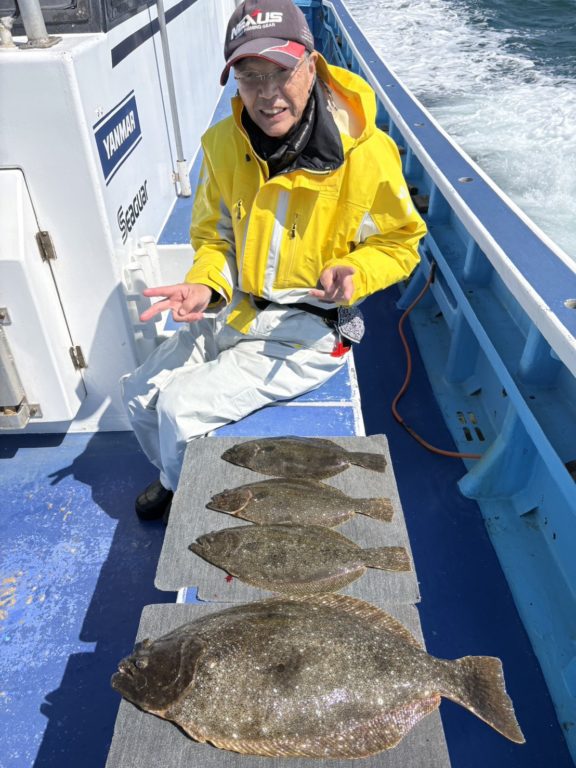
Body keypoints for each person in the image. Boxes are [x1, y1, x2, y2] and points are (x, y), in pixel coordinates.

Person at [121, 0, 427, 521]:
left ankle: (190, 501)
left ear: (311, 66)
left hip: (305, 330)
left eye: (280, 72)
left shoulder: (369, 153)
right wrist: (206, 285)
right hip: (236, 310)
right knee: (138, 394)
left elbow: (401, 242)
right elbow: (214, 236)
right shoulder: (221, 143)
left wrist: (357, 272)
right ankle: (174, 478)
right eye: (249, 76)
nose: (266, 94)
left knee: (178, 407)